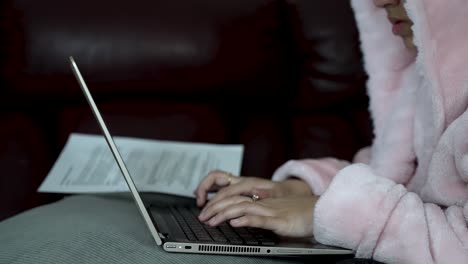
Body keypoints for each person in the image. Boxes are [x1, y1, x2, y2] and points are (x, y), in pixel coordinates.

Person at [194, 0, 468, 263]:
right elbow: (394, 177)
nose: (380, 2)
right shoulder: (420, 85)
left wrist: (324, 213)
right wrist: (299, 190)